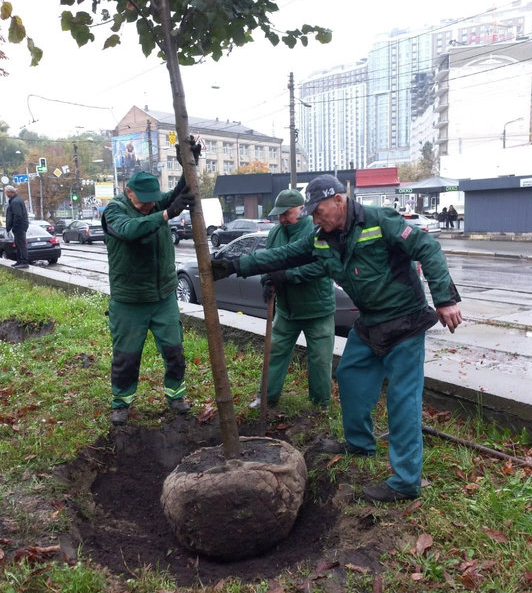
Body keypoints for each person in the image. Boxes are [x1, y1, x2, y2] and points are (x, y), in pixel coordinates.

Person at [211, 174, 462, 503]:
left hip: (405, 321)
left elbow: (426, 247)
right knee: (349, 374)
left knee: (402, 399)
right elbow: (283, 255)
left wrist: (444, 299)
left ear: (339, 200)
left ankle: (405, 481)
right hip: (370, 321)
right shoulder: (321, 238)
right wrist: (235, 265)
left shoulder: (379, 221)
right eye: (312, 214)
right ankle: (359, 444)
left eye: (319, 212)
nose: (315, 219)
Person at [101, 141, 200, 427]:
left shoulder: (155, 203)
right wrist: (167, 213)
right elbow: (131, 231)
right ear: (128, 192)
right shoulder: (115, 212)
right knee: (127, 357)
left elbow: (180, 193)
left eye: (152, 200)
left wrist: (189, 163)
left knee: (174, 350)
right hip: (130, 301)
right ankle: (121, 403)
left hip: (163, 296)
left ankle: (176, 395)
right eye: (142, 200)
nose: (149, 205)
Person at [248, 189, 336, 411]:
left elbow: (319, 268)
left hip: (317, 310)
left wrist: (286, 276)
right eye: (279, 214)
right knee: (275, 352)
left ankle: (320, 404)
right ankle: (266, 397)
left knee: (319, 359)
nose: (282, 218)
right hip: (286, 310)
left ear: (301, 209)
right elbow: (267, 262)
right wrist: (266, 281)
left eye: (286, 213)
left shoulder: (316, 231)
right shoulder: (275, 233)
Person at [4, 185, 29, 269]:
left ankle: (24, 262)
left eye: (6, 192)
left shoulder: (15, 201)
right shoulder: (16, 200)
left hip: (19, 227)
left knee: (21, 244)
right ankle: (19, 261)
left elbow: (17, 215)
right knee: (18, 244)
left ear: (10, 192)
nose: (6, 194)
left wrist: (14, 226)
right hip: (20, 226)